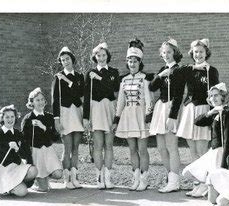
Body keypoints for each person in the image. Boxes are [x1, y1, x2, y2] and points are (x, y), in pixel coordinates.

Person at [112, 38, 153, 191]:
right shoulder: (124, 80)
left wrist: (148, 117)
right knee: (132, 149)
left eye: (135, 61)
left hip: (141, 116)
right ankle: (135, 178)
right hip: (128, 117)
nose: (132, 64)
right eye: (130, 61)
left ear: (139, 62)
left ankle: (144, 179)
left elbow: (149, 100)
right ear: (127, 63)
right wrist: (116, 118)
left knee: (142, 149)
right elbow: (120, 101)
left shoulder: (145, 79)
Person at [182, 83, 229, 197]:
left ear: (223, 96)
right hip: (213, 150)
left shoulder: (227, 113)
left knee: (216, 184)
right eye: (211, 96)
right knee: (189, 171)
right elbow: (197, 122)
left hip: (221, 151)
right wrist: (210, 112)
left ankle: (208, 189)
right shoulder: (215, 112)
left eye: (216, 95)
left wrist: (224, 162)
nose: (213, 98)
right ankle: (204, 186)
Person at [148, 38, 184, 193]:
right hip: (160, 108)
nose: (166, 55)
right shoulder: (163, 69)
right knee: (161, 147)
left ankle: (175, 180)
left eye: (169, 52)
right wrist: (161, 75)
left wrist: (172, 116)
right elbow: (152, 86)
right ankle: (170, 178)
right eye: (164, 52)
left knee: (171, 146)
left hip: (170, 109)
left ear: (175, 53)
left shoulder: (179, 70)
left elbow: (178, 96)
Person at [83, 42, 120, 189]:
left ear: (107, 56)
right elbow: (86, 97)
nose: (101, 58)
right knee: (98, 146)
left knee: (109, 145)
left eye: (104, 55)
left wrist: (99, 78)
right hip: (96, 110)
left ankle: (108, 177)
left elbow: (115, 88)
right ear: (95, 57)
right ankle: (99, 177)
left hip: (109, 108)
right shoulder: (89, 73)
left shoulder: (113, 72)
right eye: (98, 55)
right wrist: (86, 117)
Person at [177, 39, 219, 161]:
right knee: (192, 149)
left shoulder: (211, 70)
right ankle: (198, 176)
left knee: (202, 149)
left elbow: (216, 94)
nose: (198, 55)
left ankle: (207, 177)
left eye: (201, 52)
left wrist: (213, 114)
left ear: (206, 53)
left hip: (203, 110)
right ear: (192, 53)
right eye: (196, 52)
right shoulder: (188, 69)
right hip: (189, 110)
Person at [0, 105, 38, 197]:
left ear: (15, 117)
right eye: (7, 117)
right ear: (2, 118)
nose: (10, 119)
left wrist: (17, 148)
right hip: (4, 169)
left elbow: (26, 155)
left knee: (33, 170)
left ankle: (15, 184)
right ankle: (7, 189)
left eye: (12, 116)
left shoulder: (18, 134)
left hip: (17, 167)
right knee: (23, 192)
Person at [52, 46, 85, 189]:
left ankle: (75, 177)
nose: (66, 62)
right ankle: (67, 179)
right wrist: (56, 120)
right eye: (63, 60)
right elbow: (55, 100)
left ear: (72, 59)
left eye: (68, 59)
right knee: (67, 147)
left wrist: (68, 80)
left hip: (77, 112)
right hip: (65, 113)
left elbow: (80, 93)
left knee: (76, 148)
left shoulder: (79, 76)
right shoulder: (57, 78)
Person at [21, 88, 63, 192]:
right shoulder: (28, 119)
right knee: (43, 189)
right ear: (32, 103)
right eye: (37, 100)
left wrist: (44, 127)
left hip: (48, 151)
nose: (40, 102)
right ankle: (38, 180)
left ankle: (45, 178)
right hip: (35, 152)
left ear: (45, 101)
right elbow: (24, 139)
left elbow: (55, 138)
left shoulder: (50, 117)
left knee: (58, 174)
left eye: (42, 99)